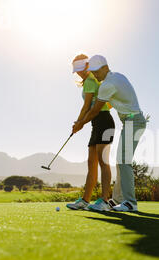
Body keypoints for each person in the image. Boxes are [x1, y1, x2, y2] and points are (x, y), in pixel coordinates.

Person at [72, 55, 147, 212]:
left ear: (105, 68)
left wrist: (80, 124)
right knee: (121, 160)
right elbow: (111, 103)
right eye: (92, 71)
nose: (95, 75)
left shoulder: (107, 84)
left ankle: (130, 202)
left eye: (96, 71)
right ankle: (118, 200)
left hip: (133, 121)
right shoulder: (117, 77)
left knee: (123, 160)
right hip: (131, 121)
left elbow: (94, 110)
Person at [66, 54, 115, 211]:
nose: (79, 72)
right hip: (96, 123)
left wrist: (79, 123)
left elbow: (86, 106)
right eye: (77, 70)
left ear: (87, 66)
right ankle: (85, 201)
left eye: (81, 69)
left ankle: (104, 201)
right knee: (91, 164)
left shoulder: (90, 80)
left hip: (104, 122)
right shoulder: (92, 81)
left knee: (103, 162)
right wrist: (80, 123)